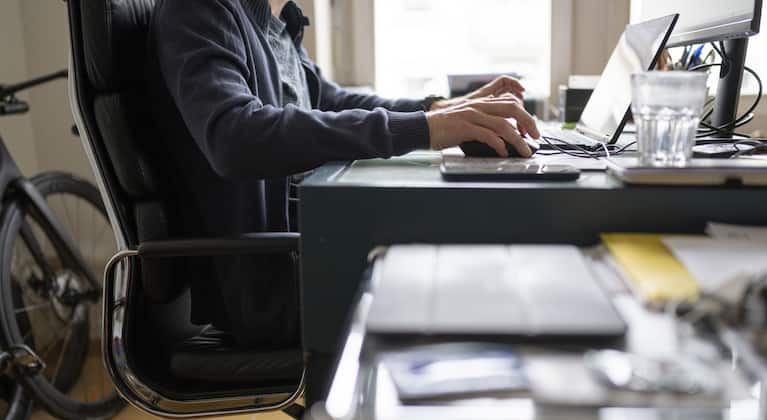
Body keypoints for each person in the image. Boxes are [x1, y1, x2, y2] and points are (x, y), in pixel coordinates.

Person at [145, 0, 540, 347]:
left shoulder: (275, 21)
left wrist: (437, 109)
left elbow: (329, 99)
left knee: (478, 241)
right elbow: (235, 137)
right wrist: (426, 129)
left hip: (307, 243)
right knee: (475, 265)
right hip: (273, 279)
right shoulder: (198, 8)